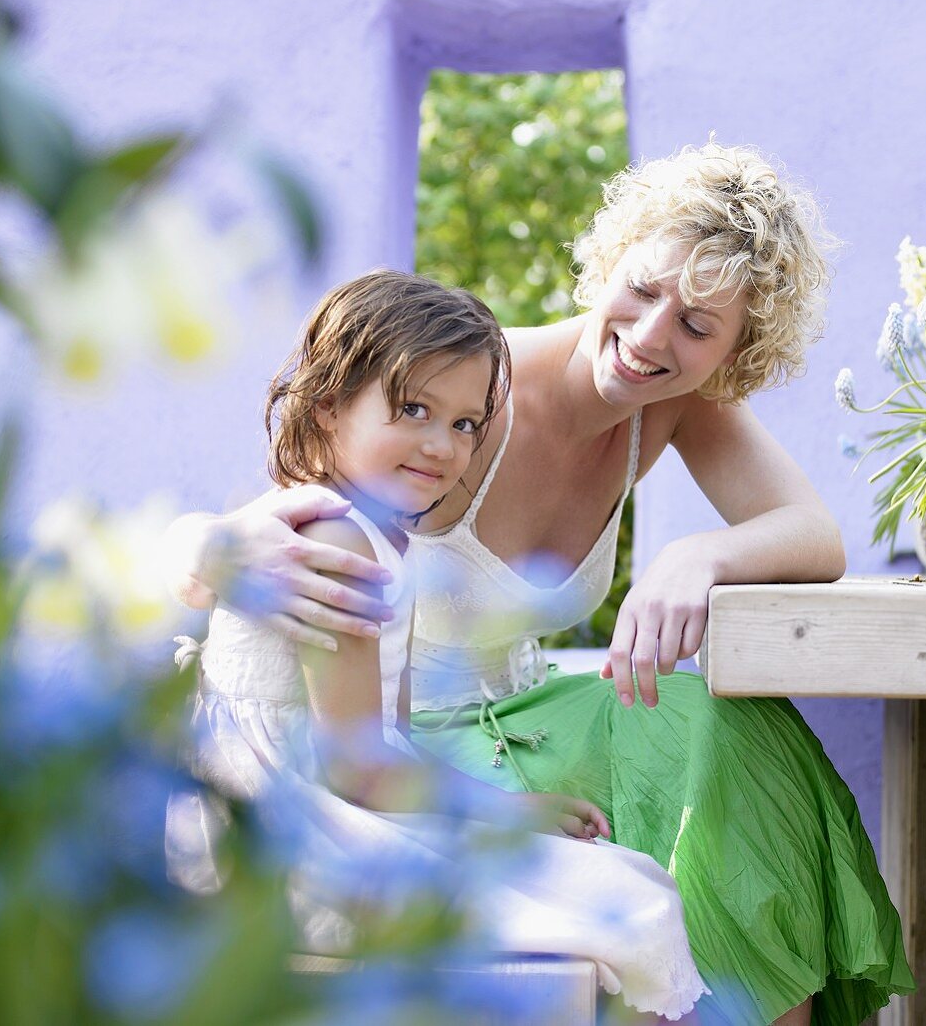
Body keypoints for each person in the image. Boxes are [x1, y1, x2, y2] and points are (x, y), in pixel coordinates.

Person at [165, 142, 915, 1025]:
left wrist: (695, 556)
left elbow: (814, 534)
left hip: (505, 716)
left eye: (698, 327)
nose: (649, 337)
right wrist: (209, 544)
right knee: (632, 854)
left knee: (731, 727)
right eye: (643, 288)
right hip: (400, 743)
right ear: (610, 261)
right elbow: (289, 505)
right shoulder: (466, 388)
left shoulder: (669, 405)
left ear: (734, 354)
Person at [168, 270, 711, 1021]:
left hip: (321, 805)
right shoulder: (332, 538)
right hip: (274, 834)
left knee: (628, 882)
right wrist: (495, 814)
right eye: (413, 409)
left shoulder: (392, 540)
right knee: (623, 901)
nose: (441, 445)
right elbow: (358, 768)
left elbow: (390, 736)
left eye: (464, 425)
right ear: (328, 408)